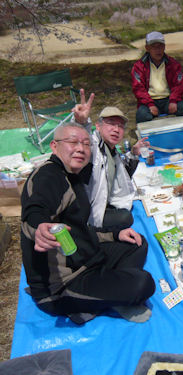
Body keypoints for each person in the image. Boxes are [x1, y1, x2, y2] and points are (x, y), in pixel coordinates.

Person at [20, 122, 155, 325]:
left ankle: (108, 292)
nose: (81, 148)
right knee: (143, 283)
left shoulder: (73, 175)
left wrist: (115, 235)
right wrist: (39, 227)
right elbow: (35, 211)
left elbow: (81, 229)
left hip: (87, 258)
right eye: (73, 142)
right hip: (61, 285)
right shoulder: (48, 177)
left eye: (85, 144)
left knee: (137, 243)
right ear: (54, 147)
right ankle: (98, 300)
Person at [72, 90, 149, 231]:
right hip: (90, 214)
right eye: (111, 123)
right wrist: (81, 122)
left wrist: (133, 153)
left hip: (108, 201)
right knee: (126, 218)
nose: (116, 129)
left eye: (120, 126)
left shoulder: (112, 151)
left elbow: (122, 176)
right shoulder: (93, 147)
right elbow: (80, 142)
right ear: (98, 126)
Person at [132, 31, 183, 123]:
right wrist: (150, 104)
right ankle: (147, 137)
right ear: (147, 48)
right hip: (149, 101)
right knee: (141, 115)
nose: (158, 50)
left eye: (160, 46)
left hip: (168, 99)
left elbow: (179, 85)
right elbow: (138, 89)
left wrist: (173, 101)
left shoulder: (173, 64)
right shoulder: (139, 66)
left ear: (164, 47)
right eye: (154, 47)